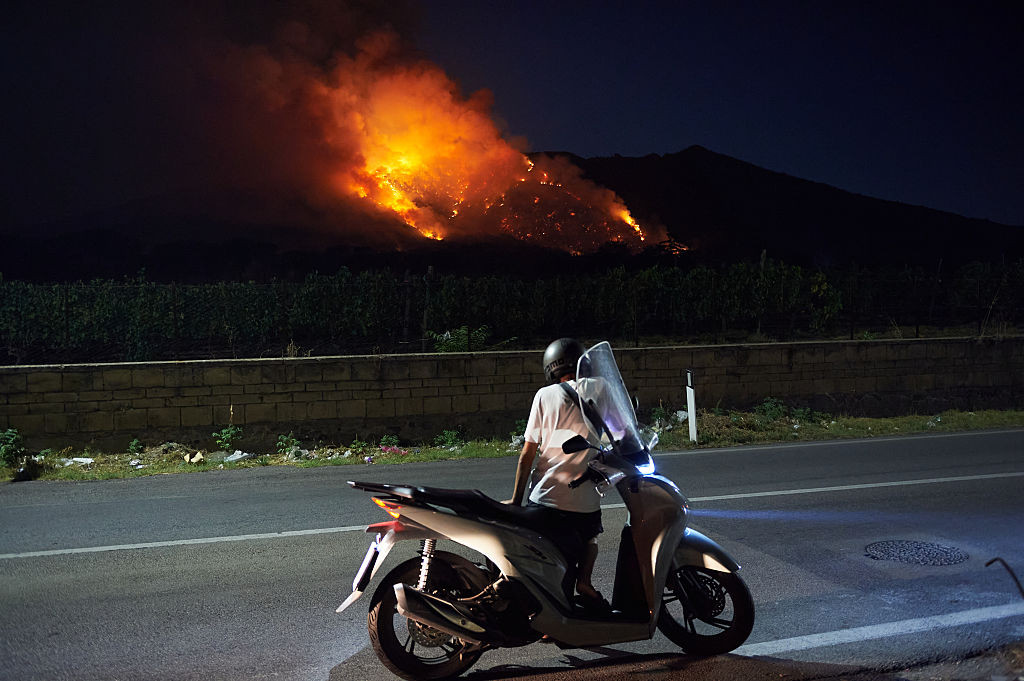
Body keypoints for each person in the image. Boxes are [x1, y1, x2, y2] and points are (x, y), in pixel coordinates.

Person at [508, 337, 609, 612]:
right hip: (586, 501)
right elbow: (620, 433)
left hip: (547, 500)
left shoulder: (544, 396)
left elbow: (527, 454)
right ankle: (585, 582)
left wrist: (516, 501)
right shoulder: (600, 388)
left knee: (551, 554)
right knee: (591, 539)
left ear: (549, 368)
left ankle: (550, 607)